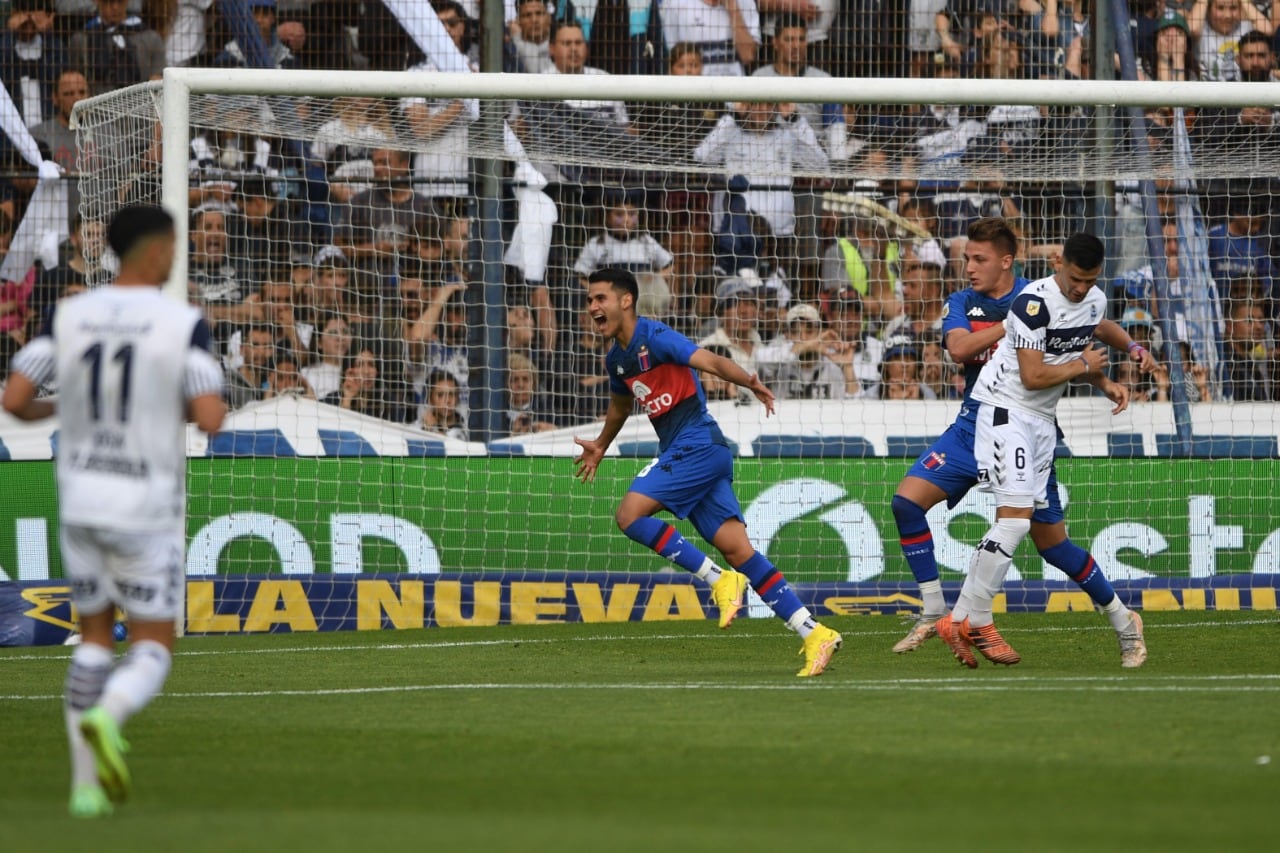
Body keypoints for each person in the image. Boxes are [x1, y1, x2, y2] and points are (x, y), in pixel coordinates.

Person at [1, 204, 226, 818]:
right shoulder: (181, 323)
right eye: (174, 246)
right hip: (144, 504)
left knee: (94, 637)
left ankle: (84, 789)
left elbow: (15, 399)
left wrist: (67, 409)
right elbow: (209, 417)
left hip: (81, 499)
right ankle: (111, 712)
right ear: (157, 250)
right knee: (153, 642)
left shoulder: (69, 314)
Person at [888, 219, 1153, 668]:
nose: (970, 267)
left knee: (1053, 545)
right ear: (1060, 266)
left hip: (1037, 425)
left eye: (980, 259)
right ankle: (950, 614)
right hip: (983, 419)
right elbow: (963, 350)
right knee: (912, 504)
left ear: (1006, 261)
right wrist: (1012, 325)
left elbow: (1090, 327)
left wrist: (1121, 362)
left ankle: (1124, 621)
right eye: (968, 258)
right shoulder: (997, 303)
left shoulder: (1070, 295)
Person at [573, 267, 843, 677]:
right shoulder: (617, 360)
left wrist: (750, 382)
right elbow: (621, 406)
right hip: (696, 454)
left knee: (629, 516)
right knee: (739, 551)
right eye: (590, 300)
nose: (592, 307)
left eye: (600, 299)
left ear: (625, 301)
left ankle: (719, 580)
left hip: (696, 445)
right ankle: (814, 632)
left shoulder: (655, 337)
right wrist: (600, 445)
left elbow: (710, 360)